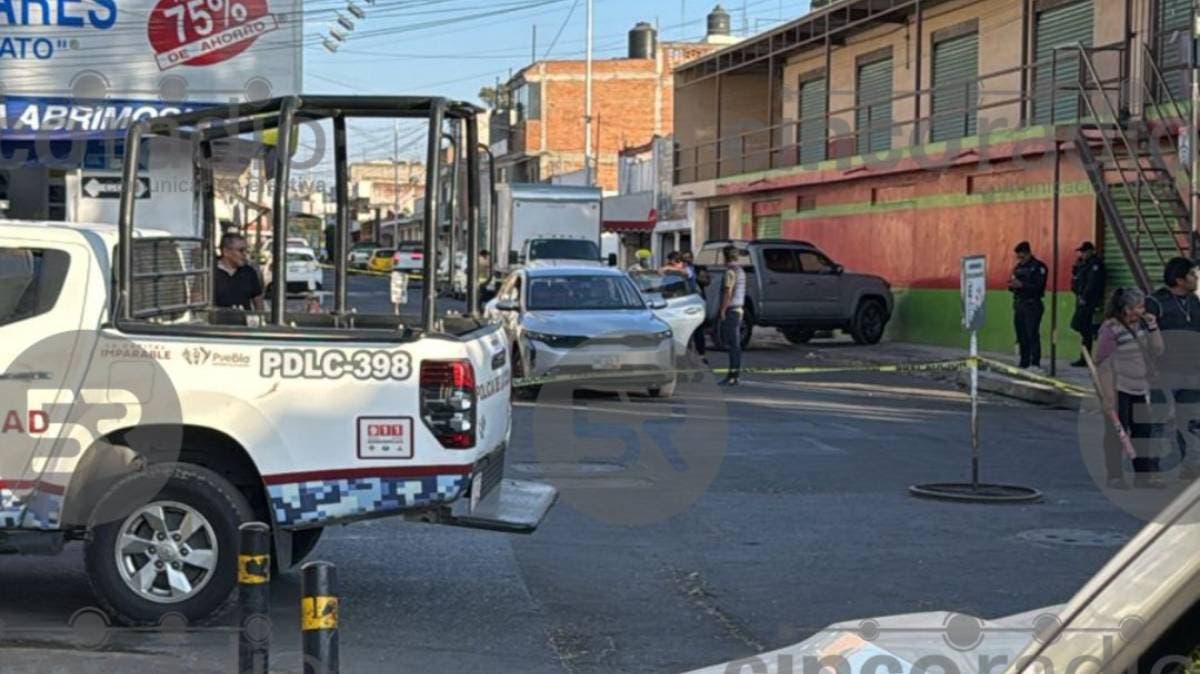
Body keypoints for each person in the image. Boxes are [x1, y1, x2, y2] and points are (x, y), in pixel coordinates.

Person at [1095, 288, 1166, 490]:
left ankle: (1143, 476)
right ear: (1127, 309)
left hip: (1140, 387)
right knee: (1117, 434)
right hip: (1119, 387)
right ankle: (1115, 476)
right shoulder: (1111, 328)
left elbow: (1159, 350)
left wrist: (1153, 327)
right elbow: (1103, 362)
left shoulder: (1143, 325)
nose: (1143, 310)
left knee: (1143, 432)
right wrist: (1108, 395)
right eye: (1139, 306)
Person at [1147, 256, 1200, 481]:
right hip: (1164, 372)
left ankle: (1191, 466)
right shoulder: (1156, 302)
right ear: (1179, 279)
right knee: (1159, 421)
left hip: (1192, 372)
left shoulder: (1195, 302)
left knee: (1191, 422)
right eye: (1192, 275)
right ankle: (1152, 468)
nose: (1196, 278)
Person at [1008, 241, 1048, 371]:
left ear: (1029, 253)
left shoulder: (1038, 267)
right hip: (1019, 304)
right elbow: (1012, 285)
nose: (1020, 259)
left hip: (1033, 304)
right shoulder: (1017, 268)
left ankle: (1035, 363)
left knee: (1032, 334)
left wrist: (1022, 285)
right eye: (1018, 257)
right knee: (1021, 334)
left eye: (1022, 256)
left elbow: (1039, 287)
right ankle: (1024, 361)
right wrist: (1012, 286)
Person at [1070, 241, 1105, 367]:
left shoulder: (1095, 264)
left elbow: (1092, 283)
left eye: (1084, 251)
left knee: (1080, 325)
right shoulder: (1083, 264)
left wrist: (1084, 297)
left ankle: (1097, 330)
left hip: (1089, 300)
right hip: (1081, 298)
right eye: (1081, 252)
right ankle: (1085, 357)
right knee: (1081, 327)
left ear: (1091, 251)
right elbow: (1076, 279)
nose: (1082, 254)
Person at [717, 246, 746, 387]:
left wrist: (722, 309)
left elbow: (728, 292)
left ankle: (733, 376)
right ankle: (733, 375)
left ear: (725, 257)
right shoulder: (740, 270)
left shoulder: (730, 271)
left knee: (733, 345)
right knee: (735, 344)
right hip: (738, 308)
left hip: (732, 309)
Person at [214, 233, 264, 311]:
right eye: (241, 250)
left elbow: (258, 302)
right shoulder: (210, 273)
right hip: (217, 321)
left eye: (246, 250)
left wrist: (260, 320)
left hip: (244, 321)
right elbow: (197, 301)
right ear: (226, 252)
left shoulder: (249, 272)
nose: (245, 254)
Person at [682, 251, 708, 363]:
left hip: (697, 301)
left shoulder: (698, 268)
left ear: (692, 258)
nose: (687, 260)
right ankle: (687, 356)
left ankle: (701, 354)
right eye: (685, 258)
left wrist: (696, 277)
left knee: (699, 330)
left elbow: (706, 281)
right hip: (684, 302)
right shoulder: (681, 270)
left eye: (689, 257)